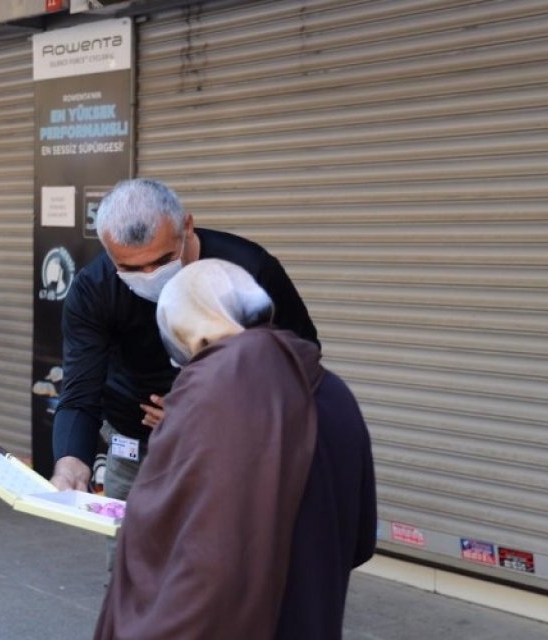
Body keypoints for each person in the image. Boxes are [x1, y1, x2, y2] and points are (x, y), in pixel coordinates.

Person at [95, 259, 377, 639]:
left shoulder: (209, 400)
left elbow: (189, 553)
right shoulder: (334, 391)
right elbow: (359, 539)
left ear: (192, 335)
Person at [49, 178, 319, 505]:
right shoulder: (94, 288)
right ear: (108, 250)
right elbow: (80, 390)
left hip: (230, 449)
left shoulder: (248, 269)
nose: (149, 275)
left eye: (163, 260)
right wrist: (70, 461)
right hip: (136, 451)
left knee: (218, 550)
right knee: (131, 551)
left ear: (187, 226)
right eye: (129, 267)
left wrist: (206, 417)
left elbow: (300, 361)